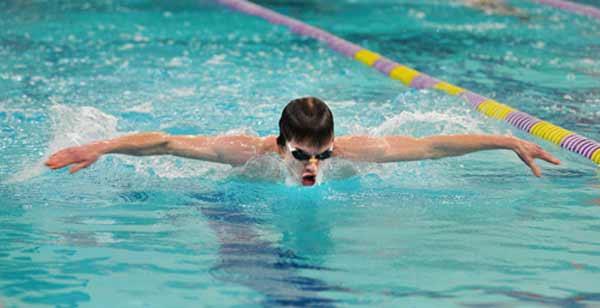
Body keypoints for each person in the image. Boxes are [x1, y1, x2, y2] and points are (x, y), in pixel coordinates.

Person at [45, 97, 560, 186]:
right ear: (279, 145)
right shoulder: (247, 153)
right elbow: (165, 144)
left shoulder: (358, 154)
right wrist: (102, 147)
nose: (313, 165)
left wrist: (504, 140)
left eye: (323, 154)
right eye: (301, 155)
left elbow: (430, 146)